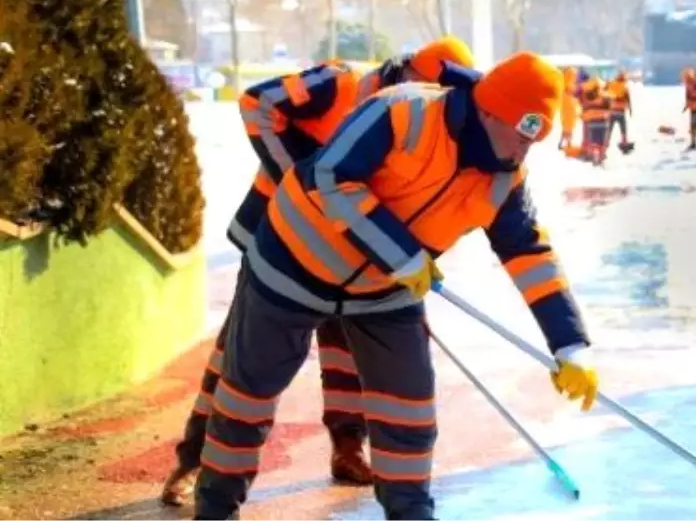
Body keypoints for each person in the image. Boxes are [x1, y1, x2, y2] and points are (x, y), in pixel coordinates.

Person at [192, 51, 599, 521]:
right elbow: (330, 175)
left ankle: (412, 515)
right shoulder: (402, 111)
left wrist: (571, 344)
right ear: (490, 110)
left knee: (409, 412)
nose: (529, 146)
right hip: (291, 263)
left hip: (385, 290)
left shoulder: (505, 177)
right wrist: (400, 252)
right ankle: (216, 510)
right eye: (526, 129)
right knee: (247, 398)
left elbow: (527, 251)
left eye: (540, 134)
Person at [161, 38, 477, 507]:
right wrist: (299, 178)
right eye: (421, 87)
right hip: (282, 245)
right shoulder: (338, 82)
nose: (428, 104)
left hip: (356, 256)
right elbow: (258, 104)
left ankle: (348, 449)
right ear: (403, 70)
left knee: (346, 356)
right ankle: (193, 460)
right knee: (240, 363)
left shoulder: (427, 127)